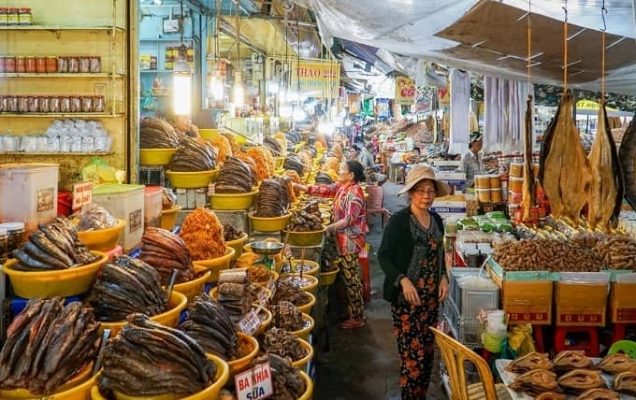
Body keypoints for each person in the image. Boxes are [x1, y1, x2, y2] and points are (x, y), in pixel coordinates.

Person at [378, 165, 451, 399]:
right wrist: (403, 280)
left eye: (430, 191)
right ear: (411, 193)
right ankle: (410, 395)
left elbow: (439, 254)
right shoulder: (399, 222)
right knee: (412, 357)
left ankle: (419, 395)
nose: (426, 196)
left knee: (428, 353)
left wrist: (443, 277)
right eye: (420, 191)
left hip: (430, 302)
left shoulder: (437, 220)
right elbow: (384, 256)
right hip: (407, 303)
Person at [294, 160, 368, 329]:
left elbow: (350, 219)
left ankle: (358, 317)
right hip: (341, 239)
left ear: (351, 175)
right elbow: (327, 190)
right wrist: (303, 188)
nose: (338, 171)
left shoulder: (354, 193)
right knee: (346, 276)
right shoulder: (343, 187)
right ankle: (351, 309)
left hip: (350, 241)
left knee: (351, 279)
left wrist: (329, 228)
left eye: (342, 169)